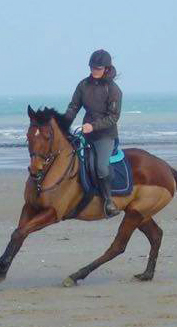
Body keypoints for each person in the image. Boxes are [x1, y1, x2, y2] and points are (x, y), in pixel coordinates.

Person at [64, 49, 122, 217]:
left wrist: (93, 126)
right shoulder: (83, 85)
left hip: (105, 135)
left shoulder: (113, 90)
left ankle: (108, 201)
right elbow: (73, 106)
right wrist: (63, 123)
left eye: (98, 68)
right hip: (86, 133)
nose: (94, 71)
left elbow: (113, 117)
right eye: (92, 68)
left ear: (107, 69)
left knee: (101, 167)